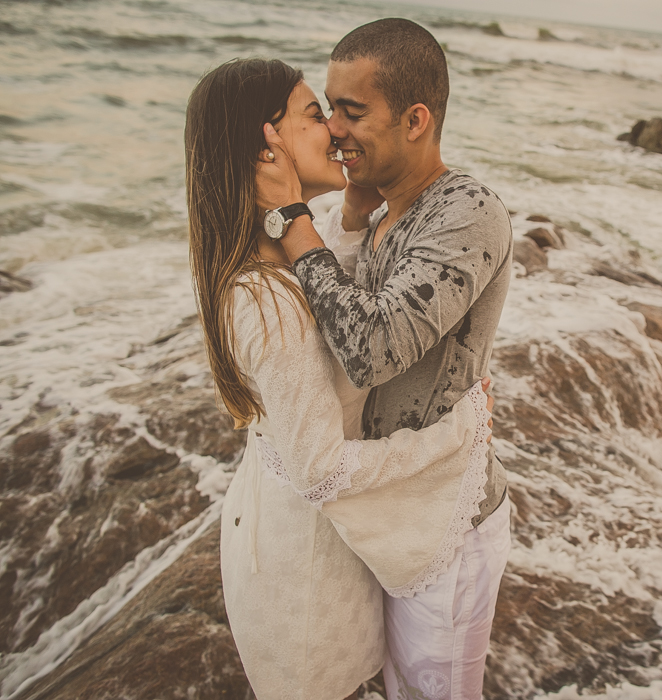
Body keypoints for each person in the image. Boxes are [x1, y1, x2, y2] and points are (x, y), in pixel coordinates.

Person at [185, 58, 494, 700]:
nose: (332, 128)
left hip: (294, 541)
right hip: (303, 587)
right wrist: (453, 438)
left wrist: (352, 208)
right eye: (311, 114)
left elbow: (330, 302)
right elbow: (321, 468)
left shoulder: (266, 259)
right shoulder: (265, 300)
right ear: (264, 147)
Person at [255, 18, 514, 699]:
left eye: (353, 110)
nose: (334, 128)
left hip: (448, 528)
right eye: (329, 109)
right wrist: (343, 210)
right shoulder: (378, 212)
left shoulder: (467, 210)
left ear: (416, 119)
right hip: (388, 510)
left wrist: (292, 217)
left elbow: (372, 351)